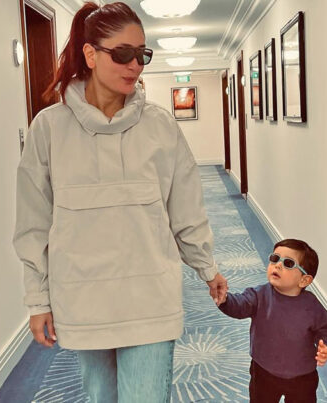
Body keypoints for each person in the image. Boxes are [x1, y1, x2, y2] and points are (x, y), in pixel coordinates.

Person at [12, 2, 228, 402]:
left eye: (142, 55)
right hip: (83, 298)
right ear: (90, 54)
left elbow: (185, 208)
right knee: (101, 397)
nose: (134, 66)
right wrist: (37, 300)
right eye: (123, 54)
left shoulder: (160, 126)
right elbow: (33, 224)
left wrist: (206, 266)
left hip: (151, 298)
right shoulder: (49, 129)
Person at [218, 239, 327, 403]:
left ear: (304, 280)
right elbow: (239, 305)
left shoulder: (312, 306)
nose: (278, 265)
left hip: (302, 376)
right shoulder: (259, 295)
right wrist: (224, 300)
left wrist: (326, 346)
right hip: (263, 371)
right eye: (275, 259)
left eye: (288, 263)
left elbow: (326, 329)